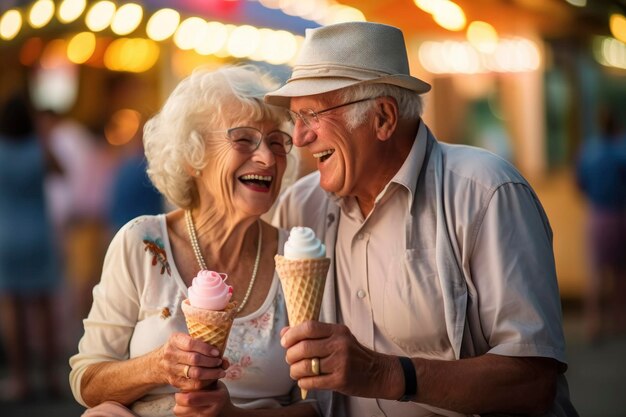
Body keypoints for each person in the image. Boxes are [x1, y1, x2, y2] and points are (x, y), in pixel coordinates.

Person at [266, 22, 578, 417]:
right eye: (294, 119)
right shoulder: (299, 208)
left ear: (382, 117)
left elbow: (534, 381)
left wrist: (386, 374)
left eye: (311, 115)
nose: (298, 138)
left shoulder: (485, 193)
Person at [69, 66, 318, 417]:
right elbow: (87, 382)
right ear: (192, 156)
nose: (267, 158)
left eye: (277, 142)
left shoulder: (298, 259)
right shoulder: (141, 243)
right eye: (244, 139)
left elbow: (317, 407)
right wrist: (155, 366)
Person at [0, 93, 63, 400]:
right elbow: (61, 171)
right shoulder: (38, 148)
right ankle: (50, 376)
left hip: (5, 234)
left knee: (12, 308)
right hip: (39, 233)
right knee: (43, 308)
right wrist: (43, 135)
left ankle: (20, 378)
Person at [576, 108, 626, 343]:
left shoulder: (589, 151)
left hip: (596, 215)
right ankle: (619, 320)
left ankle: (593, 323)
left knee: (595, 272)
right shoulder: (621, 150)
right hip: (619, 214)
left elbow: (579, 183)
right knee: (620, 272)